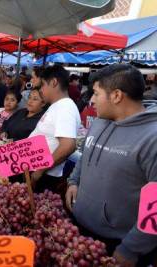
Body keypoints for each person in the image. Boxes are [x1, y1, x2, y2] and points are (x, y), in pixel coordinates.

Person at [65, 64, 157, 267]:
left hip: (118, 245)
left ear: (116, 95)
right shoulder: (99, 121)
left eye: (96, 94)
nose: (91, 100)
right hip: (79, 230)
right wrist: (74, 181)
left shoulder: (152, 138)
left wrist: (131, 248)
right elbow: (86, 154)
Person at [29, 65, 80, 193]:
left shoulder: (65, 107)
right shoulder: (57, 106)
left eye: (43, 85)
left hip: (45, 176)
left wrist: (40, 171)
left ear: (54, 82)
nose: (41, 90)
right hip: (38, 171)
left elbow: (68, 145)